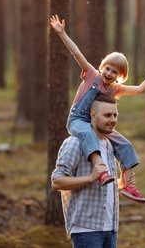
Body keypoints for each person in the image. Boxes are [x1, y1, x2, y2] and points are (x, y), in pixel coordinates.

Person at [50, 14, 145, 203]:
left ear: (119, 76)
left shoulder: (115, 89)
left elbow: (140, 89)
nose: (109, 73)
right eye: (107, 68)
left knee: (124, 144)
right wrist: (62, 34)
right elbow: (77, 53)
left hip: (99, 125)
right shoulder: (91, 75)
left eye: (114, 72)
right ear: (102, 67)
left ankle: (129, 185)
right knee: (88, 135)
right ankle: (102, 171)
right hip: (78, 121)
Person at [52, 93, 123, 247]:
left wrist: (121, 183)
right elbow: (57, 181)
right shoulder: (74, 143)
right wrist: (90, 177)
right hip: (86, 230)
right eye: (107, 115)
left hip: (111, 229)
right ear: (93, 115)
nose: (113, 120)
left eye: (115, 115)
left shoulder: (108, 145)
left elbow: (102, 187)